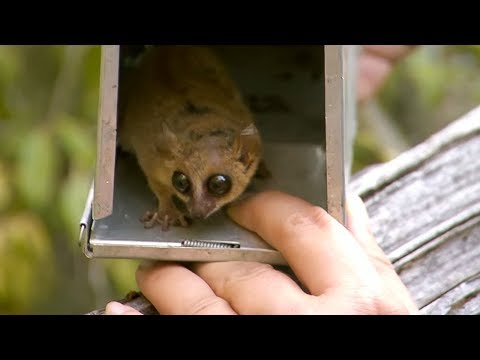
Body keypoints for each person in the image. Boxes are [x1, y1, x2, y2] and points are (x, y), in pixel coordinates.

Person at [105, 45, 418, 315]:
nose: (198, 208)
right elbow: (150, 153)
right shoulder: (165, 154)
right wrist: (166, 201)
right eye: (183, 184)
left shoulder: (245, 143)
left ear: (247, 161)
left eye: (217, 186)